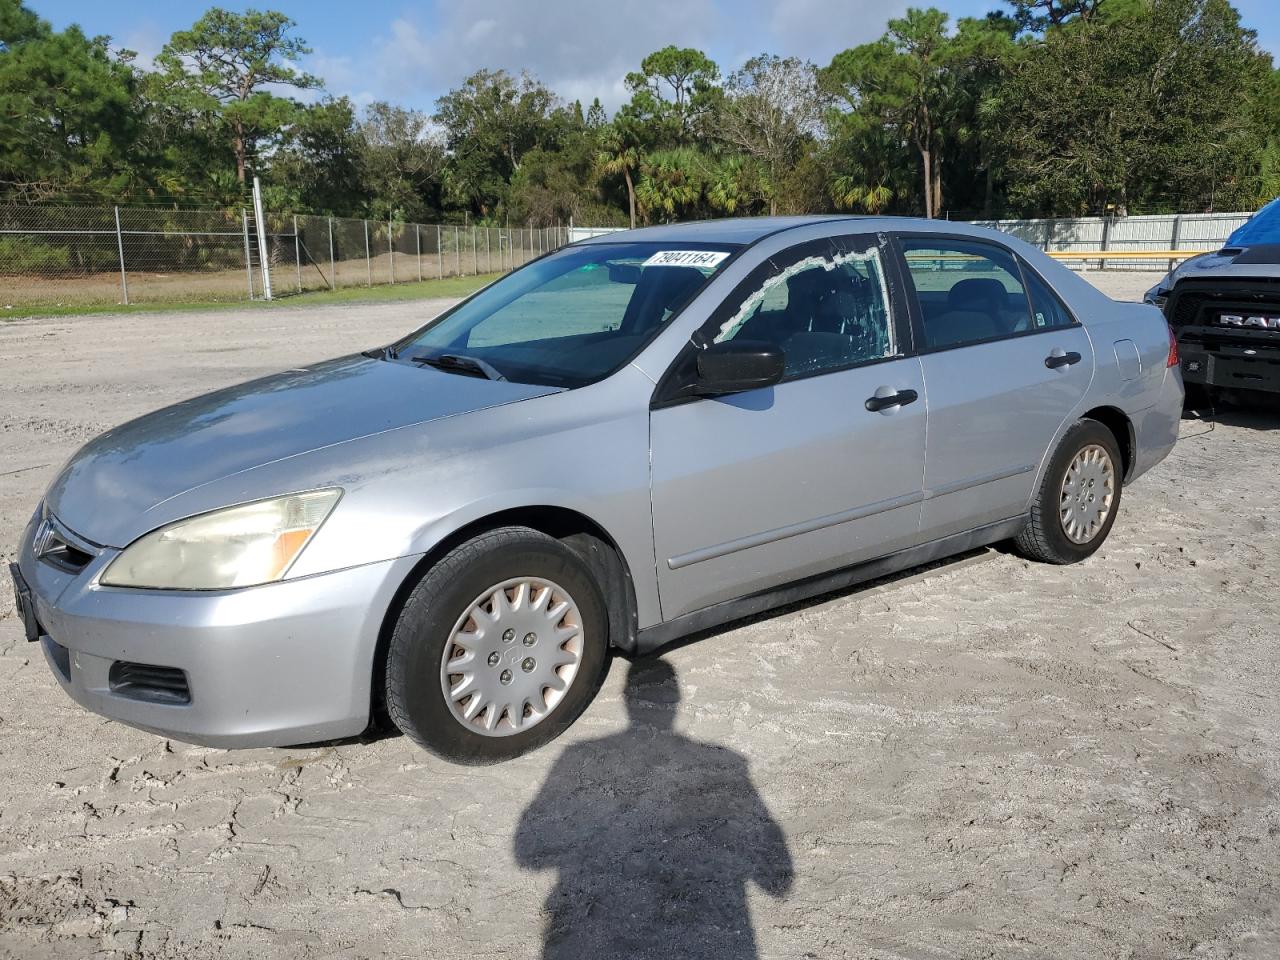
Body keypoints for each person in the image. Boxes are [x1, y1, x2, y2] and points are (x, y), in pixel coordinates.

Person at [515, 658, 793, 959]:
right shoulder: (728, 762)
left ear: (624, 700)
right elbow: (778, 882)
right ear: (677, 701)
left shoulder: (576, 756)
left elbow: (526, 853)